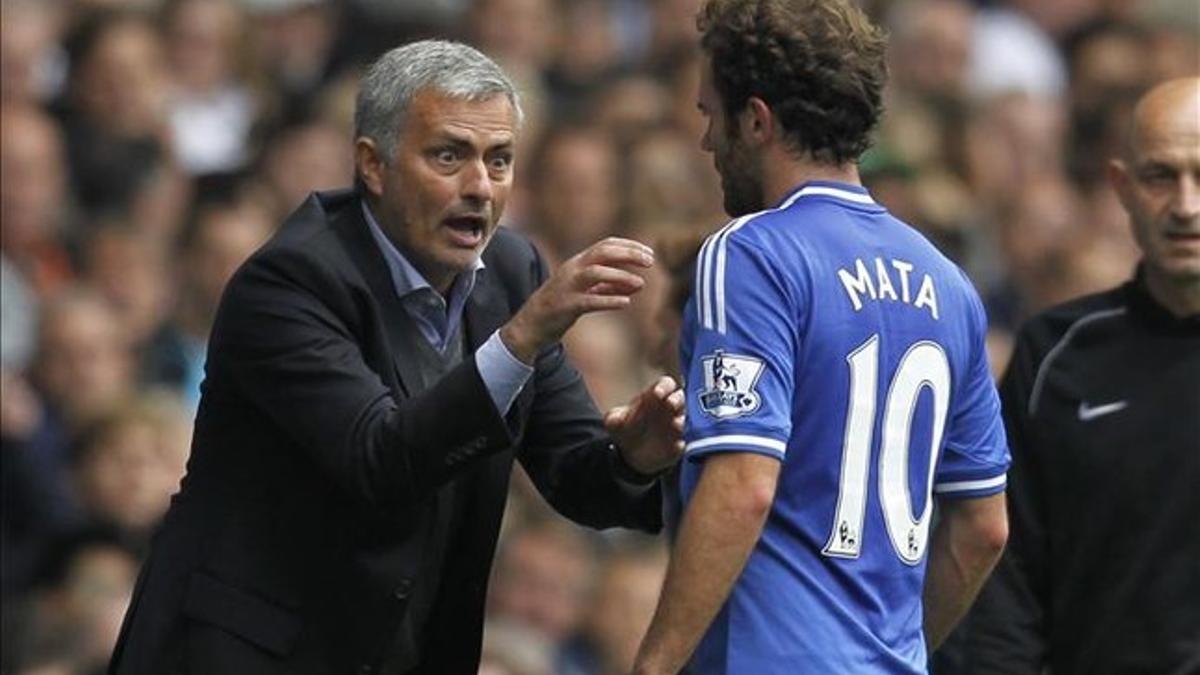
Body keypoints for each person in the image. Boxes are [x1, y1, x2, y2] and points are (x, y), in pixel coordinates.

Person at [107, 40, 684, 675]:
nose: (479, 187)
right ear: (372, 165)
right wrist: (521, 339)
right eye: (449, 156)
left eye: (500, 161)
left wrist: (635, 459)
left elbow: (576, 477)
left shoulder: (510, 274)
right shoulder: (291, 281)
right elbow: (380, 460)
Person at [631, 2, 1010, 673]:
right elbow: (984, 528)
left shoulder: (749, 253)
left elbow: (744, 482)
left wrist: (653, 665)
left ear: (756, 119)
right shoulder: (949, 285)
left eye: (710, 114)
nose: (706, 141)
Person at [960, 77, 1200, 674]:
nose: (1186, 205)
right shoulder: (1057, 354)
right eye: (1160, 176)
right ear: (1121, 187)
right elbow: (1005, 578)